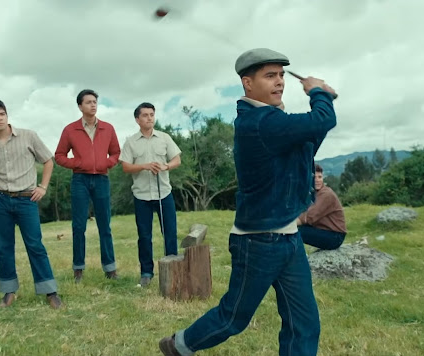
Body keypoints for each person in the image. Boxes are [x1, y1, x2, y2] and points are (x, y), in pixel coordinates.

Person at [159, 48, 338, 356]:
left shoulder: (274, 120)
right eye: (270, 75)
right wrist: (319, 92)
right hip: (258, 241)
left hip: (289, 236)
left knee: (304, 322)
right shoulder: (257, 122)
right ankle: (179, 345)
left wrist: (322, 102)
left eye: (282, 75)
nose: (279, 81)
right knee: (233, 318)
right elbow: (322, 121)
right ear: (247, 83)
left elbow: (310, 139)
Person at [0, 100, 62, 309]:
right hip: (1, 201)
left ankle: (50, 291)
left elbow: (48, 160)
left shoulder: (28, 136)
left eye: (2, 114)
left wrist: (42, 187)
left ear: (7, 115)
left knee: (35, 245)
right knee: (4, 247)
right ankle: (9, 292)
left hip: (27, 199)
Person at [54, 89, 121, 283]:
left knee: (104, 225)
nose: (93, 105)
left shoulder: (108, 128)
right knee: (78, 226)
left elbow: (116, 153)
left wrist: (105, 164)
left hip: (101, 179)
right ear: (80, 106)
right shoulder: (70, 129)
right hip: (80, 180)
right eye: (89, 102)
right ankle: (78, 270)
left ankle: (110, 269)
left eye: (95, 102)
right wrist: (78, 164)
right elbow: (59, 156)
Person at [119, 102, 182, 287]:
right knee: (144, 236)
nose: (149, 118)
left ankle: (173, 269)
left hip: (164, 193)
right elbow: (125, 167)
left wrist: (166, 166)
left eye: (152, 114)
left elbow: (177, 159)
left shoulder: (164, 138)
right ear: (137, 119)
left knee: (170, 233)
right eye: (145, 115)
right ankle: (146, 273)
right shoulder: (130, 142)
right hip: (142, 196)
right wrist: (144, 166)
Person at [297, 164, 347, 250]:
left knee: (294, 232)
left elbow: (309, 217)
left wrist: (287, 225)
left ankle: (295, 260)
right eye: (314, 177)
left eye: (320, 177)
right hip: (325, 231)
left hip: (335, 236)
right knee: (294, 231)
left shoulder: (326, 194)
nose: (317, 180)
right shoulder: (312, 193)